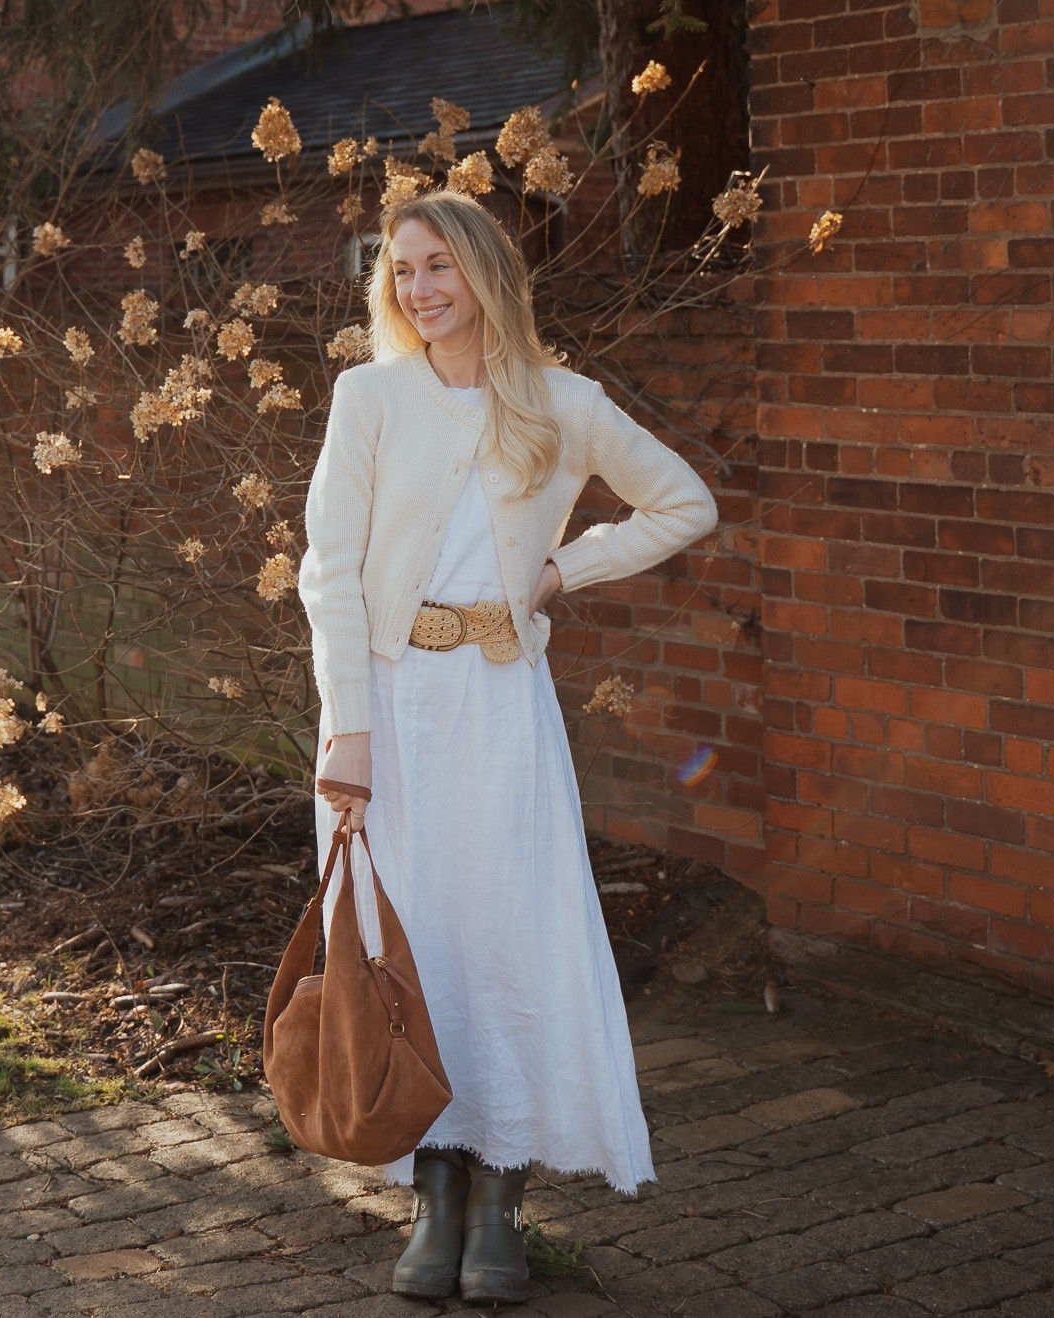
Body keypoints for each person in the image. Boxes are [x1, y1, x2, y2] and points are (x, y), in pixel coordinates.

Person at [297, 189, 718, 1305]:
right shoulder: (369, 396)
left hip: (499, 713)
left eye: (438, 266)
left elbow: (683, 503)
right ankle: (432, 1192)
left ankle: (499, 1198)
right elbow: (327, 569)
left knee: (504, 942)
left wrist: (556, 573)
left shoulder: (561, 403)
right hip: (386, 711)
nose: (419, 291)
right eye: (401, 272)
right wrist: (346, 727)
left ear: (485, 274)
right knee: (412, 941)